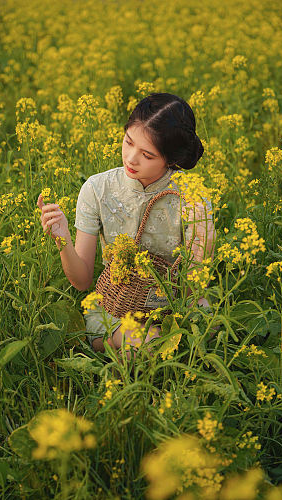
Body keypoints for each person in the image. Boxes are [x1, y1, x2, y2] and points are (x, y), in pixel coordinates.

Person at [37, 93, 216, 360]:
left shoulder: (190, 196)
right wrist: (62, 237)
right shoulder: (97, 189)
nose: (131, 159)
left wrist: (204, 236)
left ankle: (133, 357)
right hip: (115, 308)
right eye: (128, 142)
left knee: (201, 320)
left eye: (147, 154)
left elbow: (193, 288)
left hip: (174, 308)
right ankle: (139, 352)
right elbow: (82, 280)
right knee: (154, 342)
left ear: (170, 160)